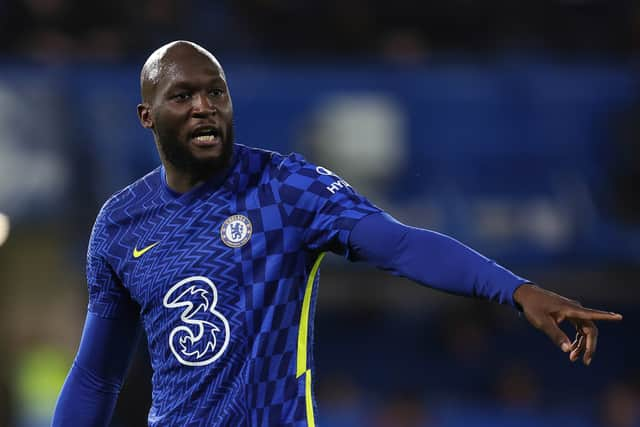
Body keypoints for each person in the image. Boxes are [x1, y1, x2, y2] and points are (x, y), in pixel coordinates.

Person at [52, 40, 623, 427]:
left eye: (217, 92)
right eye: (183, 97)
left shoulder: (285, 188)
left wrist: (516, 291)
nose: (205, 108)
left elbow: (400, 245)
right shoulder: (121, 223)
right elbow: (97, 374)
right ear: (147, 116)